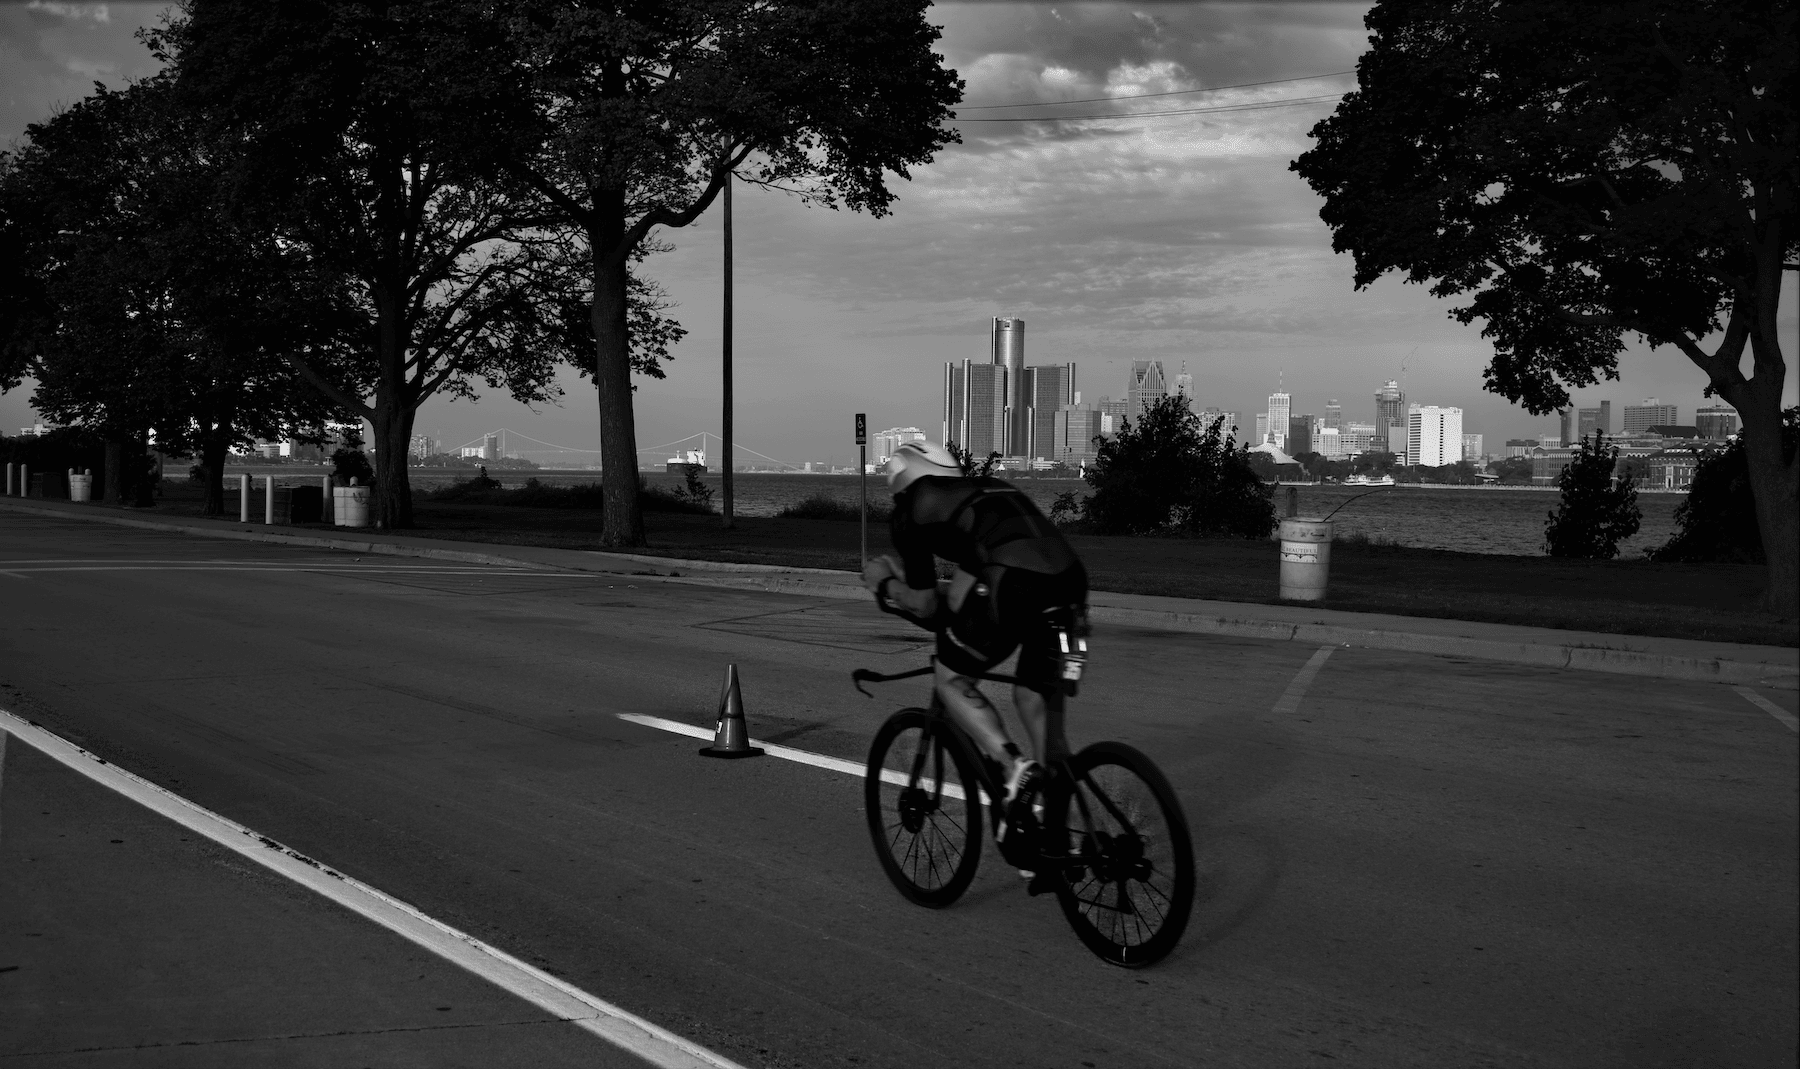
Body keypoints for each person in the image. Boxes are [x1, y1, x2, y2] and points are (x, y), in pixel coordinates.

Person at [861, 440, 1089, 867]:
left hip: (1015, 580)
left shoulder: (911, 510)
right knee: (1034, 701)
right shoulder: (983, 495)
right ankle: (1049, 836)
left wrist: (883, 583)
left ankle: (1011, 766)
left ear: (901, 480)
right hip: (1071, 582)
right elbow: (957, 598)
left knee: (951, 678)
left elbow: (926, 605)